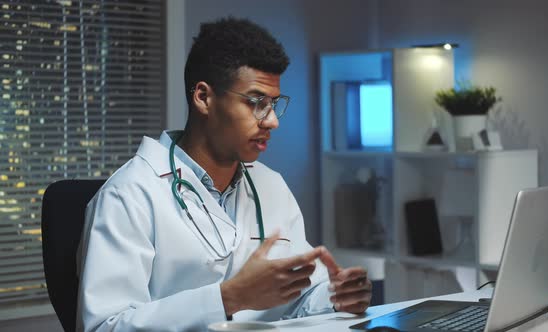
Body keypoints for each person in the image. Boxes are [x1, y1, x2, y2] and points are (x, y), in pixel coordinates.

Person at [76, 17, 372, 331]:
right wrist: (227, 299)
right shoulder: (129, 195)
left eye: (274, 104)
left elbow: (298, 299)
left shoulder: (271, 184)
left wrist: (335, 297)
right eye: (257, 102)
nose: (272, 121)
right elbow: (104, 327)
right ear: (203, 97)